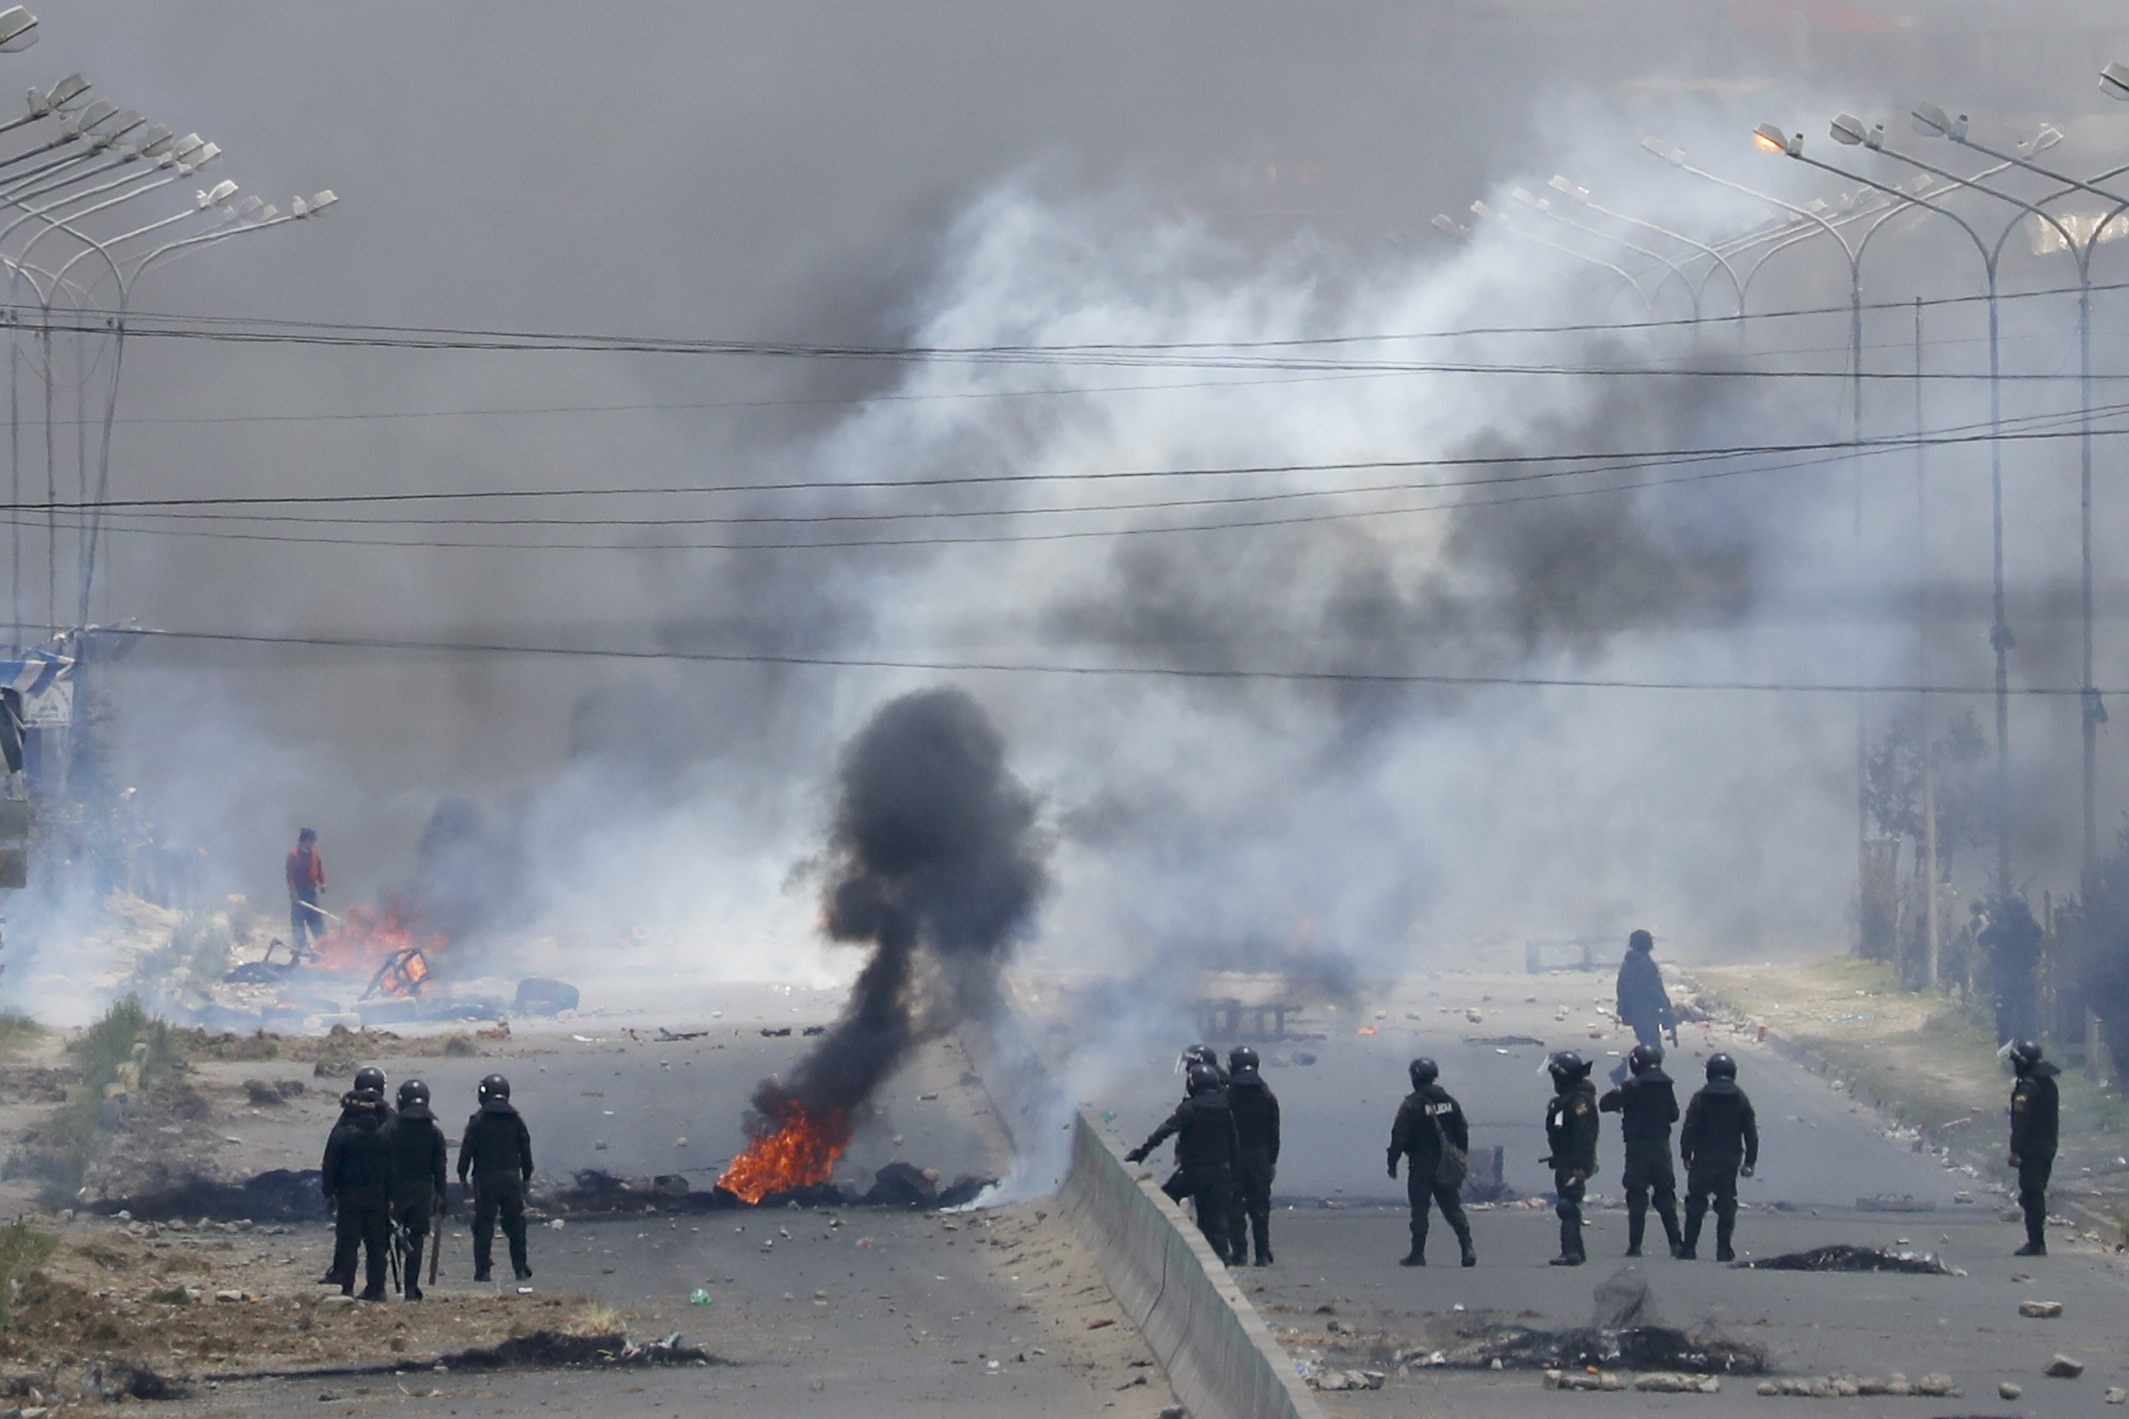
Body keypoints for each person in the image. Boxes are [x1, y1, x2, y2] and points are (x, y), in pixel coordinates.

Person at [1125, 1063, 1240, 1264]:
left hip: (1195, 1171)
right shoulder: (1225, 1108)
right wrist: (1233, 1172)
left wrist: (1142, 1152)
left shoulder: (1189, 1108)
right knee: (1219, 1216)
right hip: (1222, 1171)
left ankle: (1170, 1244)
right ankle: (1223, 1259)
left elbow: (1165, 1131)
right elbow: (1234, 1142)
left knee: (1167, 1197)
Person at [1387, 1057, 1477, 1268]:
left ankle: (1417, 1254)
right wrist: (1460, 1156)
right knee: (1453, 1207)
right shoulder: (1450, 1102)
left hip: (1421, 1165)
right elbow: (1462, 1131)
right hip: (1446, 1163)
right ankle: (1467, 1247)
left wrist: (1392, 1161)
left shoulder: (1411, 1105)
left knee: (1420, 1210)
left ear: (1415, 1077)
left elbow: (1399, 1136)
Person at [1599, 1043, 1684, 1259]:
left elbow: (1605, 1103)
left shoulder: (1633, 1086)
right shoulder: (1666, 1085)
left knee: (1637, 1194)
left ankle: (1635, 1245)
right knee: (1665, 1194)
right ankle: (1676, 1242)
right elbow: (1674, 1114)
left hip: (1637, 1147)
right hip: (1661, 1146)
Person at [1678, 1053, 1758, 1262]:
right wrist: (1750, 1161)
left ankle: (1689, 1248)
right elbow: (1750, 1131)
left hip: (1703, 1157)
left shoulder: (1701, 1097)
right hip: (1730, 1159)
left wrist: (1686, 1154)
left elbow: (1690, 1128)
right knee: (1726, 1203)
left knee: (1696, 1202)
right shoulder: (1740, 1098)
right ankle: (1724, 1249)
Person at [459, 1074, 535, 1283]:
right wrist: (526, 1177)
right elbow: (525, 1151)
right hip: (511, 1178)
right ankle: (520, 1268)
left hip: (486, 1179)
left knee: (484, 1223)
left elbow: (467, 1150)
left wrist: (462, 1175)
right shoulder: (516, 1120)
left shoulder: (478, 1120)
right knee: (516, 1224)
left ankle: (483, 1270)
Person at [321, 1085, 392, 1300]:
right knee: (377, 1245)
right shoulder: (383, 1137)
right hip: (377, 1198)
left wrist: (329, 1193)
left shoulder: (342, 1136)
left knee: (349, 1243)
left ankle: (347, 1287)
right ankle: (377, 1288)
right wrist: (389, 1198)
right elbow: (391, 1171)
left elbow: (330, 1166)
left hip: (350, 1197)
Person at [383, 1079, 448, 1299]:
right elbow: (440, 1168)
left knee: (383, 1239)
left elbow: (380, 1161)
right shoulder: (433, 1132)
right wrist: (441, 1194)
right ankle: (411, 1287)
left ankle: (379, 1285)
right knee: (416, 1240)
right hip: (422, 1193)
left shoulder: (390, 1129)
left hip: (394, 1193)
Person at [1225, 1045, 1281, 1266]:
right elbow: (1274, 1133)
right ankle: (1262, 1253)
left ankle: (1239, 1252)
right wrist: (1271, 1161)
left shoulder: (1228, 1094)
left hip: (1233, 1157)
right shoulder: (1267, 1095)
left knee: (1234, 1205)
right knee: (1260, 1207)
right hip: (1260, 1157)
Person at [1543, 1051, 1600, 1266]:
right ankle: (1577, 1250)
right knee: (1569, 1204)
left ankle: (1570, 1251)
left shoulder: (1579, 1102)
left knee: (1567, 1205)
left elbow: (1584, 1135)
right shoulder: (1567, 1101)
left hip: (1574, 1161)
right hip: (1566, 1159)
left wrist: (1579, 1164)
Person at [2005, 1039, 2060, 1257]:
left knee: (2032, 1192)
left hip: (2032, 1148)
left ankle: (2036, 1243)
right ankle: (2036, 1238)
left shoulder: (2027, 1087)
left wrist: (2015, 1149)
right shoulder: (2048, 1084)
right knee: (2034, 1190)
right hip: (2048, 1144)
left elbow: (2021, 1122)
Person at [1978, 899, 2043, 1046]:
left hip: (2006, 977)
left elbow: (1982, 940)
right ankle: (2025, 1046)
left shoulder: (2003, 927)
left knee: (2005, 1017)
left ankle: (2008, 1049)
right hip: (2024, 975)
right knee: (2025, 1015)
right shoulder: (2031, 926)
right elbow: (2039, 937)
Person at [1615, 930, 1675, 1052]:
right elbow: (1654, 989)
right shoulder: (1647, 964)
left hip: (1632, 1009)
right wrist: (1665, 1004)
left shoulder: (1628, 963)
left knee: (1644, 1038)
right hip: (1646, 1009)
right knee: (1653, 1043)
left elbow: (1621, 987)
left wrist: (1622, 1007)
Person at [286, 828, 328, 957]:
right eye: (311, 841)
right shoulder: (293, 855)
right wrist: (295, 896)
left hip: (311, 892)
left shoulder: (314, 852)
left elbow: (319, 868)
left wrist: (323, 883)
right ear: (305, 840)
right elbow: (290, 877)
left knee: (316, 920)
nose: (313, 843)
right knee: (298, 922)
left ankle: (323, 947)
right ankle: (301, 949)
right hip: (299, 892)